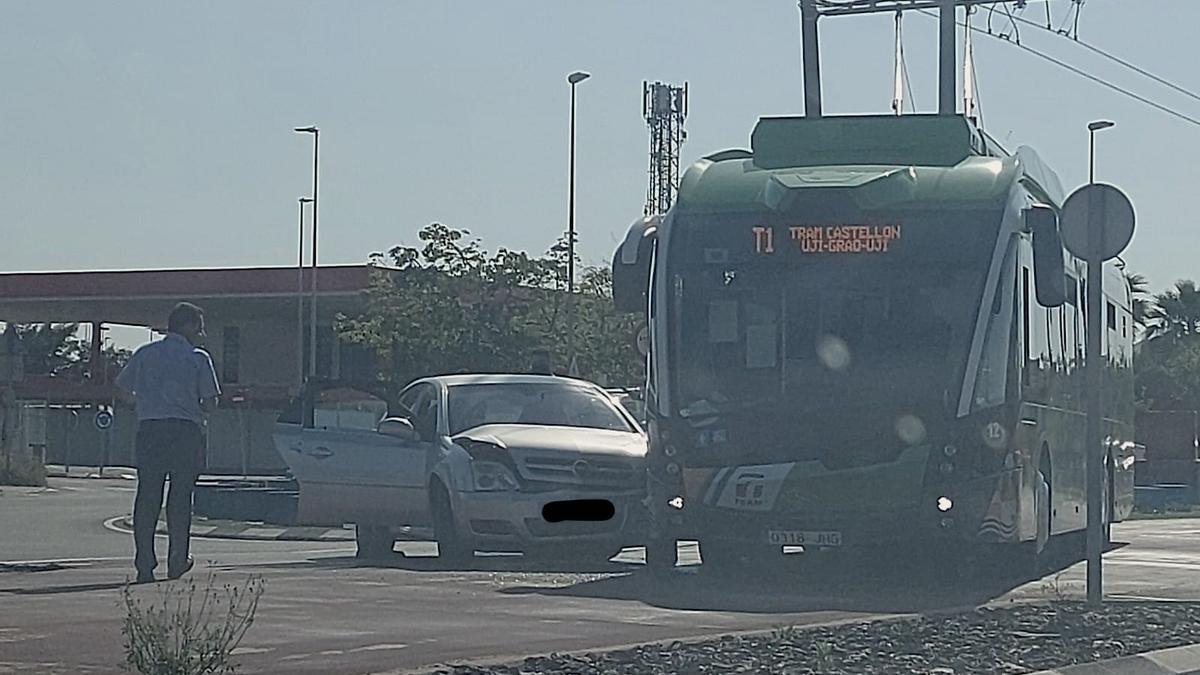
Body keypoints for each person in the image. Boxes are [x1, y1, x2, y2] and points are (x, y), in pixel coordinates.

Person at [115, 302, 221, 583]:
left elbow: (122, 390)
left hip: (150, 429)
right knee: (181, 496)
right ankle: (177, 559)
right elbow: (210, 403)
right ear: (187, 327)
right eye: (198, 327)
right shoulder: (198, 358)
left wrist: (143, 404)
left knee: (148, 494)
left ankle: (144, 562)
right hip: (185, 431)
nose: (201, 333)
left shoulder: (145, 354)